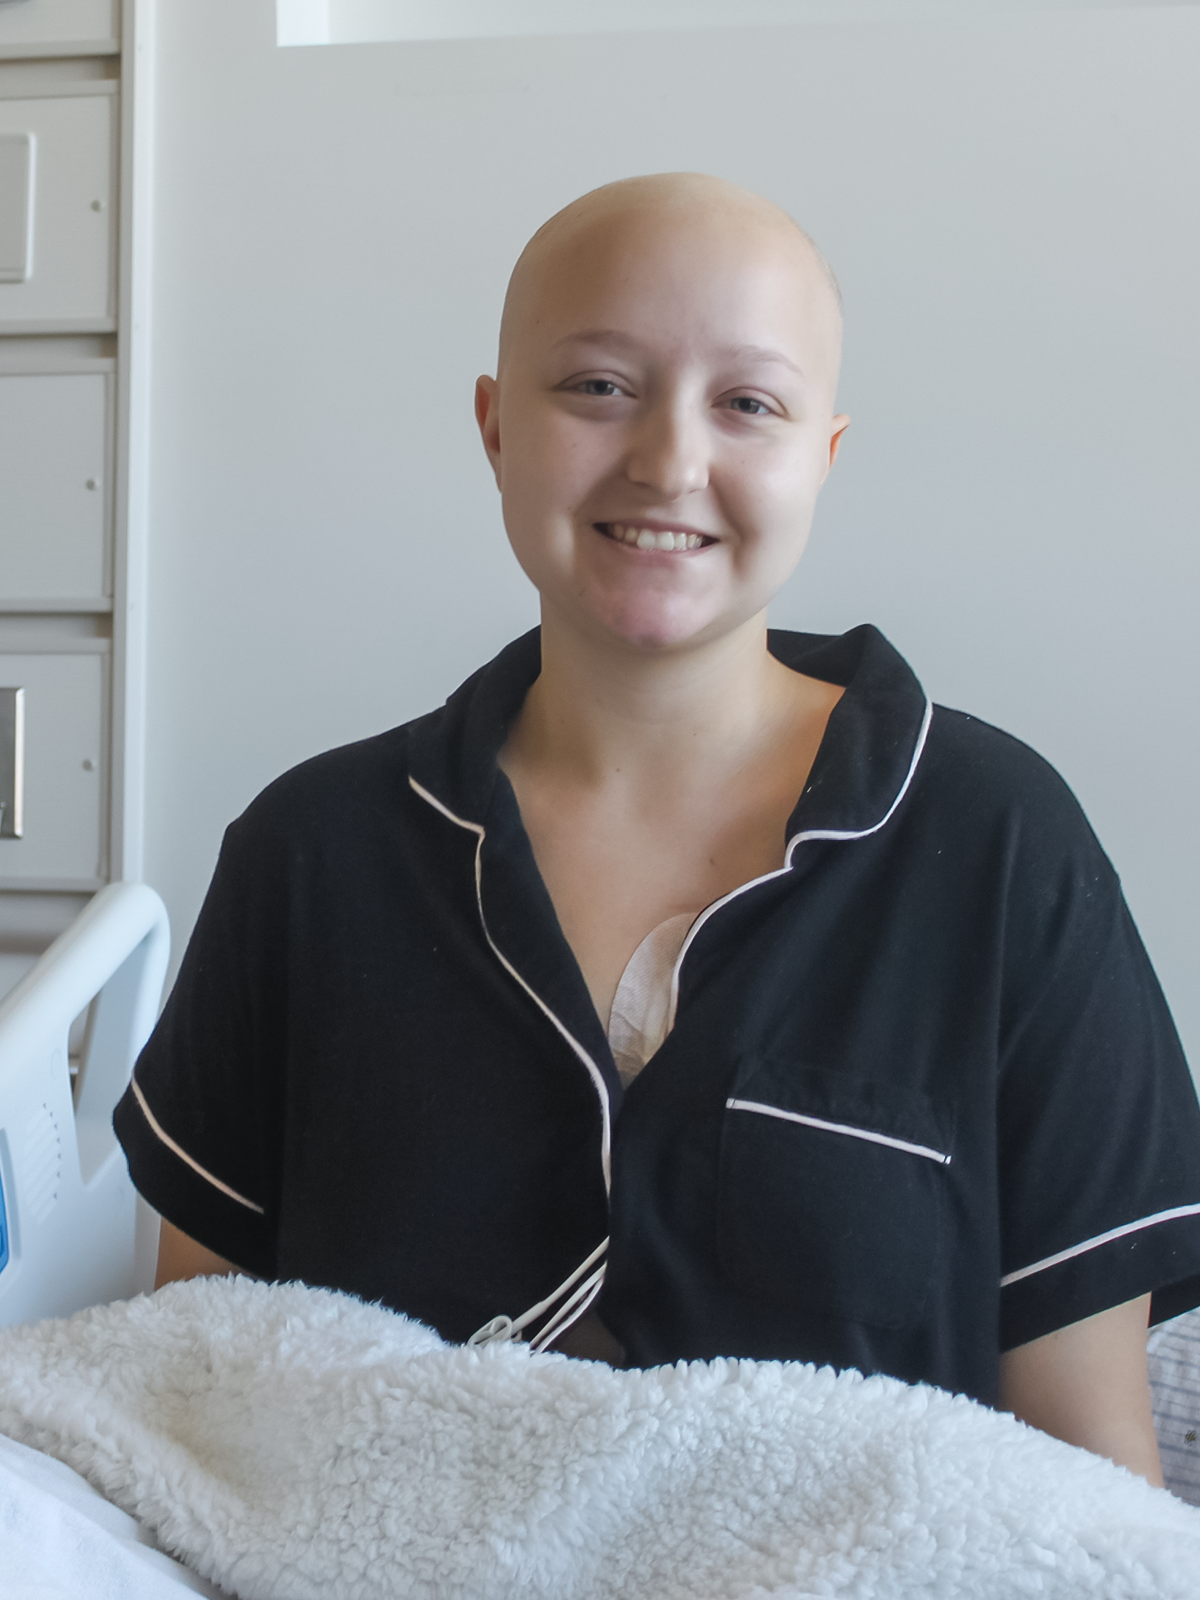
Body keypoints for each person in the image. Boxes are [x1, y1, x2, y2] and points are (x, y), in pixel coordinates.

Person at [116, 173, 1200, 1486]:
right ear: (495, 427)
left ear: (826, 456)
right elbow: (181, 1414)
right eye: (597, 388)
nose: (670, 461)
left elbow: (1089, 1479)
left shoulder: (1002, 847)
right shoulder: (312, 855)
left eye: (749, 404)